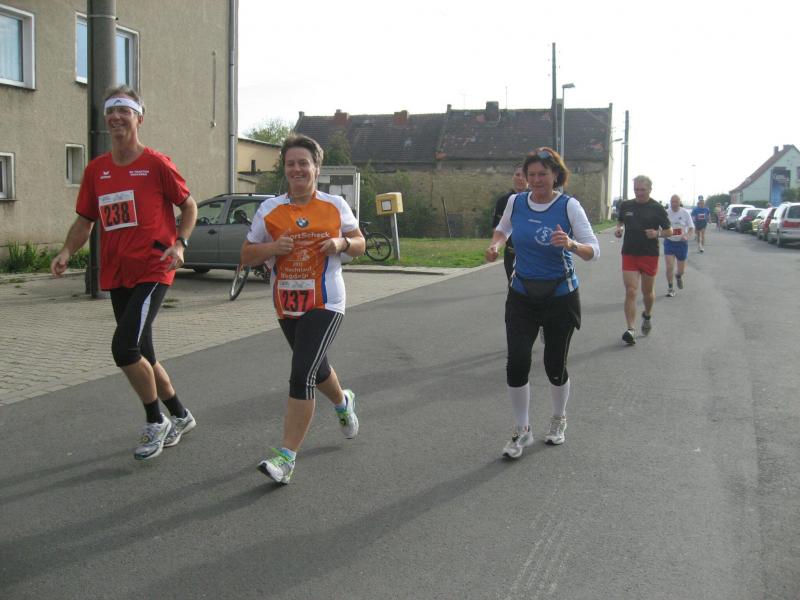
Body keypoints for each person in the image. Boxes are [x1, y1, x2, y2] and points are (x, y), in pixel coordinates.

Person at [50, 85, 199, 461]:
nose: (116, 117)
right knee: (143, 352)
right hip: (118, 272)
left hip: (154, 267)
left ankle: (155, 421)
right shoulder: (96, 170)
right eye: (111, 112)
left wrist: (180, 244)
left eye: (124, 111)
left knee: (124, 348)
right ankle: (180, 414)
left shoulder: (156, 164)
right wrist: (67, 251)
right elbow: (85, 221)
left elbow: (189, 206)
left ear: (139, 118)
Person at [241, 134, 366, 484]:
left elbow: (360, 243)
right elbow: (246, 254)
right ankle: (343, 402)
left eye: (303, 163)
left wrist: (341, 242)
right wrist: (271, 249)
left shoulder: (334, 205)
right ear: (285, 168)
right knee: (316, 367)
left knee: (301, 374)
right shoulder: (270, 209)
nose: (297, 169)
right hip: (287, 302)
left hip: (326, 300)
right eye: (291, 163)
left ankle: (286, 458)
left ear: (316, 168)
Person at [486, 147, 599, 458]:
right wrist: (496, 244)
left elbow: (594, 250)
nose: (536, 180)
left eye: (543, 174)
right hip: (521, 293)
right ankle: (522, 429)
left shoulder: (569, 206)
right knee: (517, 362)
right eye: (531, 174)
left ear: (556, 175)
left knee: (554, 365)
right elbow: (503, 228)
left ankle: (559, 418)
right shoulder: (516, 202)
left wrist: (571, 244)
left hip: (560, 296)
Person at [614, 175, 672, 345]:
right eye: (636, 189)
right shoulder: (626, 205)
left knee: (647, 293)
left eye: (642, 190)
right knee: (631, 291)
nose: (639, 193)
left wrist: (657, 233)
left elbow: (669, 231)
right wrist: (619, 229)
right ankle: (630, 329)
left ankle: (647, 315)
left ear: (650, 190)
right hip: (629, 253)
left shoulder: (657, 208)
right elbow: (620, 221)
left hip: (649, 254)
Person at [491, 165, 528, 281]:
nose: (520, 178)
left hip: (530, 254)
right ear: (513, 177)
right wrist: (494, 246)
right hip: (511, 254)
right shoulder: (503, 201)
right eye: (517, 175)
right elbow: (498, 227)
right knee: (513, 287)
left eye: (524, 176)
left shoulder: (535, 199)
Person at [664, 194, 694, 297]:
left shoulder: (685, 213)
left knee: (681, 271)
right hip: (669, 242)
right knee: (669, 267)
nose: (674, 204)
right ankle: (670, 288)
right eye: (672, 202)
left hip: (681, 243)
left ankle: (678, 276)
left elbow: (691, 228)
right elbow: (660, 227)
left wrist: (687, 236)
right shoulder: (666, 213)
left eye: (676, 202)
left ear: (679, 202)